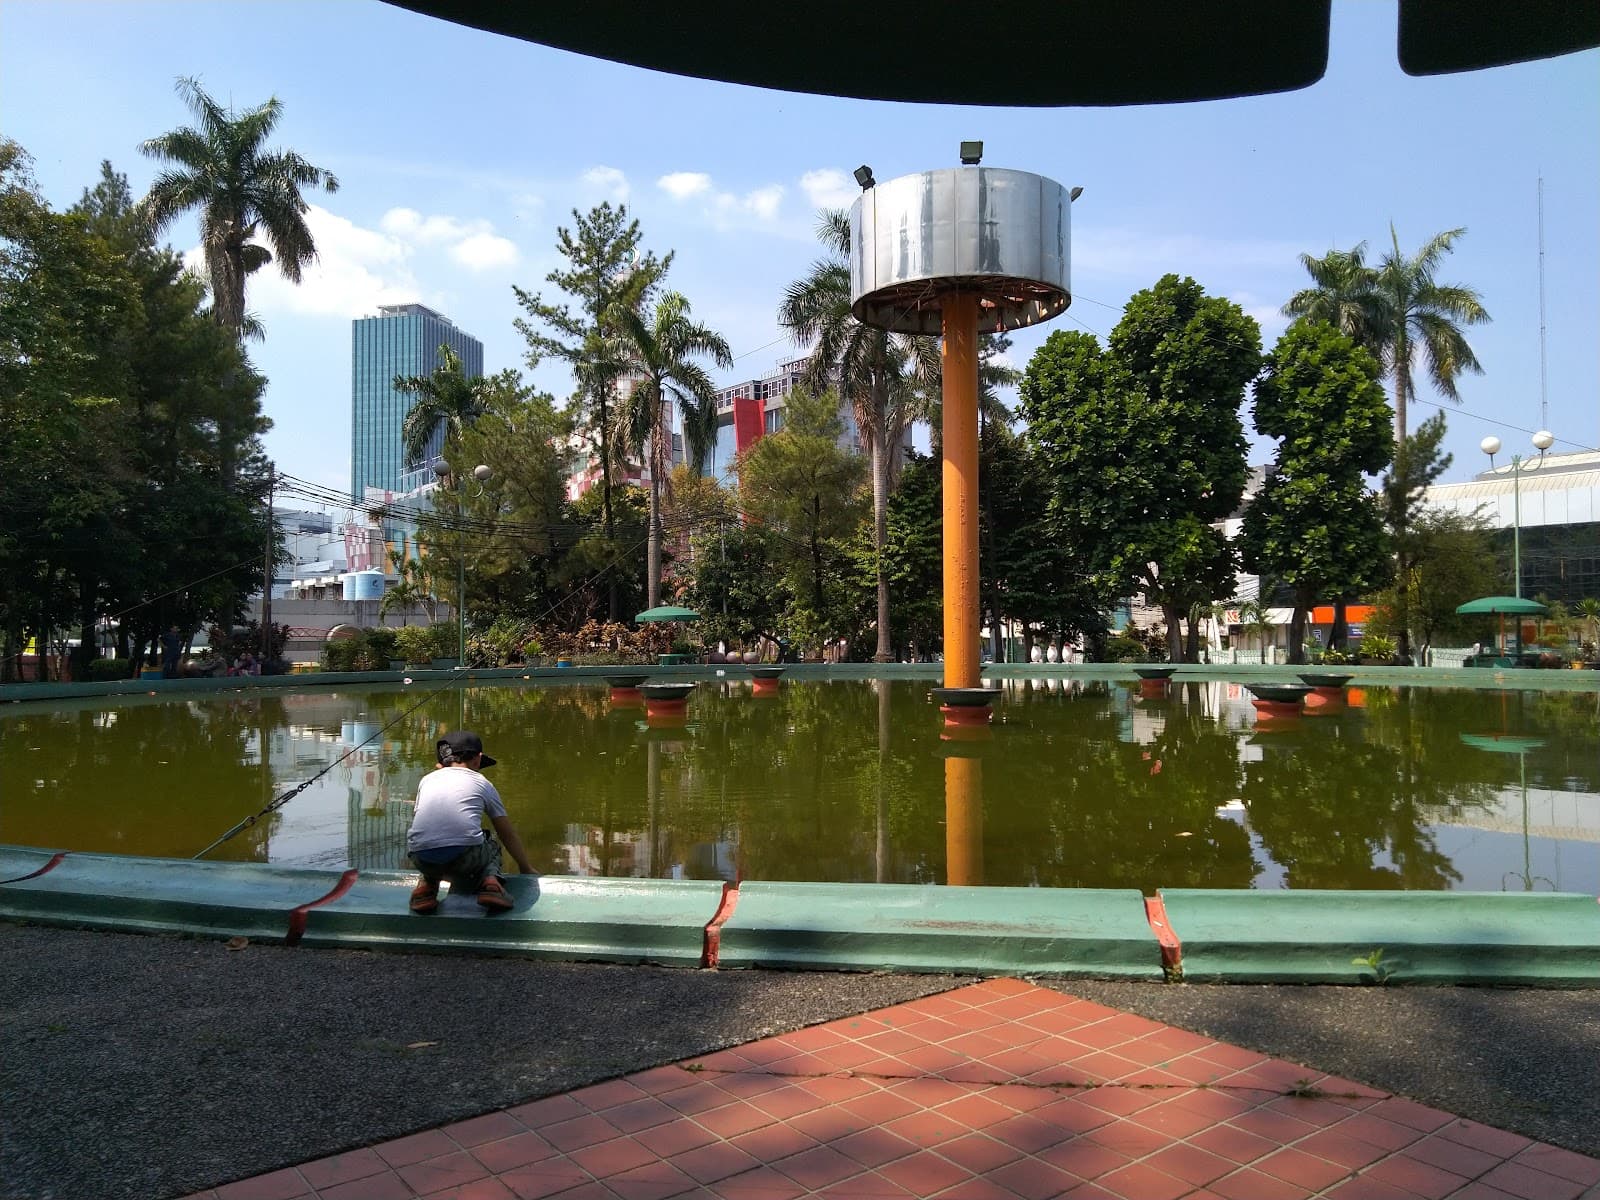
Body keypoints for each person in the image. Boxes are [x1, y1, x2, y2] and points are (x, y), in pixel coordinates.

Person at [406, 730, 533, 914]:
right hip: (464, 860)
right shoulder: (482, 782)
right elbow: (506, 832)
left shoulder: (426, 780)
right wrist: (525, 867)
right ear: (478, 759)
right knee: (491, 843)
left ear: (440, 765)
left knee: (431, 838)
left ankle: (426, 888)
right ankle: (491, 884)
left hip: (420, 858)